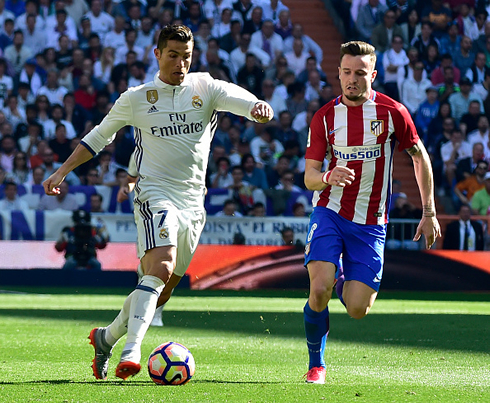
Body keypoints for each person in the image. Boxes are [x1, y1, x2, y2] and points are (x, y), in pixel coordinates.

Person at [42, 24, 273, 381]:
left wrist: (256, 105)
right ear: (157, 54)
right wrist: (62, 172)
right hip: (154, 193)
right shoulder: (136, 98)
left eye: (187, 57)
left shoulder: (205, 87)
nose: (181, 64)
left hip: (194, 203)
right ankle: (132, 351)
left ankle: (104, 338)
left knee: (160, 290)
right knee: (160, 266)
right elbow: (98, 137)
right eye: (173, 55)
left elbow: (239, 99)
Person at [302, 41, 441, 384]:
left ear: (373, 75)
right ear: (338, 73)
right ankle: (316, 364)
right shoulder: (324, 117)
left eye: (360, 73)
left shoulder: (392, 112)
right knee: (318, 289)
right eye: (346, 72)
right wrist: (325, 177)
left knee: (357, 310)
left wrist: (429, 212)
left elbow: (419, 157)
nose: (352, 79)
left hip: (371, 223)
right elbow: (308, 177)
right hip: (329, 212)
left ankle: (345, 279)